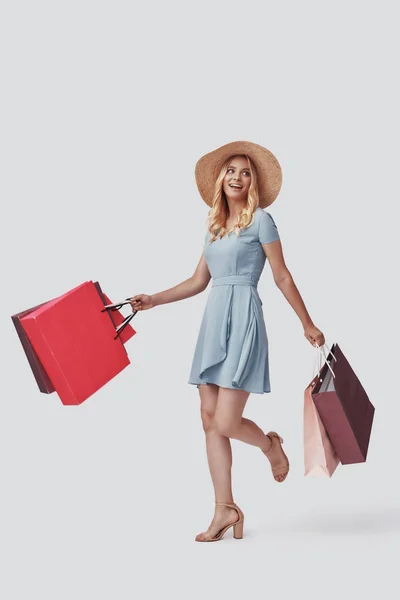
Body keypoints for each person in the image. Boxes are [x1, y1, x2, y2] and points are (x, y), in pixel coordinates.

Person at [129, 141, 325, 542]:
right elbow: (198, 281)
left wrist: (306, 322)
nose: (237, 177)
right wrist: (153, 299)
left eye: (246, 172)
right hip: (213, 321)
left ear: (253, 182)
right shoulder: (214, 227)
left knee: (227, 420)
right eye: (231, 170)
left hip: (244, 318)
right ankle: (224, 508)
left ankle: (270, 445)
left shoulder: (262, 221)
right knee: (208, 420)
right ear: (221, 178)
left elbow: (282, 275)